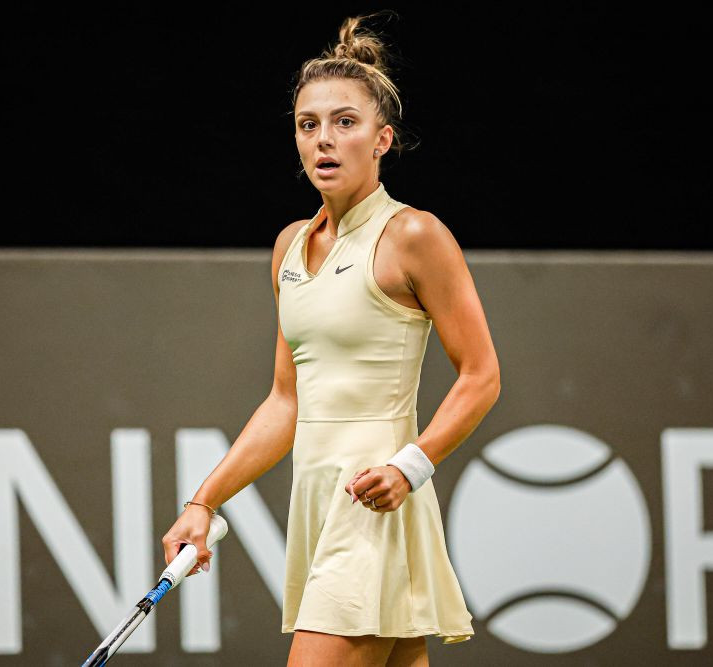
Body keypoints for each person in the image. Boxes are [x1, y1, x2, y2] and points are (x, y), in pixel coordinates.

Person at [162, 11, 500, 666]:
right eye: (308, 124)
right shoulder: (290, 247)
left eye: (345, 122)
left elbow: (481, 374)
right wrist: (203, 500)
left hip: (373, 503)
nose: (324, 139)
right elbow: (286, 401)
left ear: (383, 139)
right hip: (317, 507)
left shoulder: (414, 236)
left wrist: (410, 465)